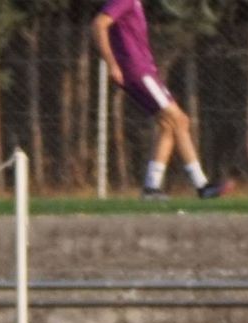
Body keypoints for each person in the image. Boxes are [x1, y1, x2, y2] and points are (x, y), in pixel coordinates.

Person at [94, 0, 229, 201]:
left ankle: (152, 188)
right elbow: (99, 23)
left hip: (144, 71)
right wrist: (112, 63)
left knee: (169, 125)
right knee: (178, 120)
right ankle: (201, 185)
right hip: (137, 71)